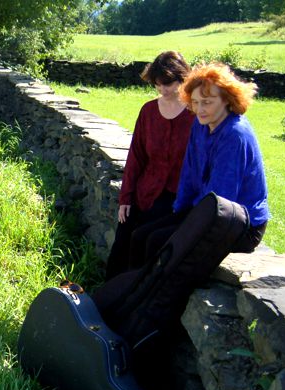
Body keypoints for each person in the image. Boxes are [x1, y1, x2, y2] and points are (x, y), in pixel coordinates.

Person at [131, 62, 270, 263]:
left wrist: (187, 223)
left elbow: (223, 197)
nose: (199, 109)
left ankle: (150, 283)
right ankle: (136, 283)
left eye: (207, 102)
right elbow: (189, 173)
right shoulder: (201, 124)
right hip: (206, 209)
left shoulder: (234, 134)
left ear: (227, 99)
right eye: (195, 102)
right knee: (140, 235)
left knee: (158, 241)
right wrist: (179, 211)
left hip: (239, 225)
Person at [105, 51, 195, 280]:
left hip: (175, 199)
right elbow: (136, 156)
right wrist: (126, 197)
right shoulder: (148, 111)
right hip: (144, 192)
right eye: (157, 84)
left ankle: (132, 295)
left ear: (183, 78)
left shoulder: (196, 114)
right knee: (122, 243)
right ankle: (105, 294)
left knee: (144, 247)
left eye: (168, 83)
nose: (163, 89)